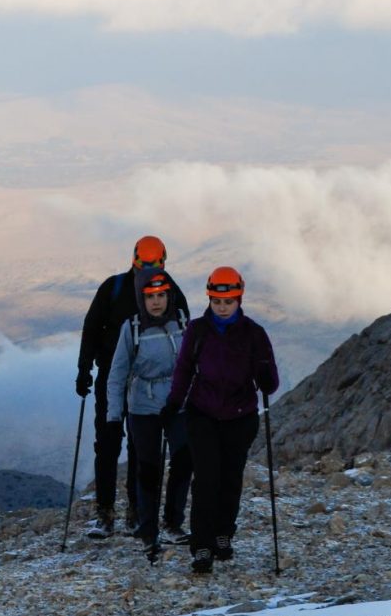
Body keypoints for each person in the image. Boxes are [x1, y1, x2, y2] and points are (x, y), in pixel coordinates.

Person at [163, 266, 279, 574]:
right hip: (202, 414)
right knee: (206, 479)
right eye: (216, 301)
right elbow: (184, 369)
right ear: (210, 299)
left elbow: (269, 381)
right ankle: (202, 546)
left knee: (231, 479)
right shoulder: (198, 330)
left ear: (239, 298)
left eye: (228, 301)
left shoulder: (254, 334)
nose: (222, 307)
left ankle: (223, 535)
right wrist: (174, 402)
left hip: (240, 418)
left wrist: (266, 376)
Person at [76, 236, 189, 538]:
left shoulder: (167, 292)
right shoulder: (115, 289)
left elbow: (183, 335)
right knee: (110, 444)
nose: (150, 272)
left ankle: (132, 512)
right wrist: (84, 369)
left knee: (138, 448)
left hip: (147, 386)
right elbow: (91, 328)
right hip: (113, 382)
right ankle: (109, 513)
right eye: (146, 266)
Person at [106, 268, 192, 562]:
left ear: (169, 296)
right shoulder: (132, 329)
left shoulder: (181, 322)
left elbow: (194, 362)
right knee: (148, 468)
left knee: (184, 459)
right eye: (150, 296)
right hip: (143, 406)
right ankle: (148, 530)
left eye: (161, 295)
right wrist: (114, 415)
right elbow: (117, 374)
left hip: (178, 402)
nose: (156, 302)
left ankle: (172, 522)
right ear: (142, 298)